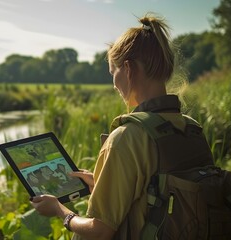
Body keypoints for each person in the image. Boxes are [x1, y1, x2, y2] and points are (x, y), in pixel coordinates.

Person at [30, 14, 184, 239]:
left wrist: (59, 210)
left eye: (113, 72)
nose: (114, 84)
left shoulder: (126, 138)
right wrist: (101, 184)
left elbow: (101, 231)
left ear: (128, 70)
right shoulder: (189, 128)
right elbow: (156, 194)